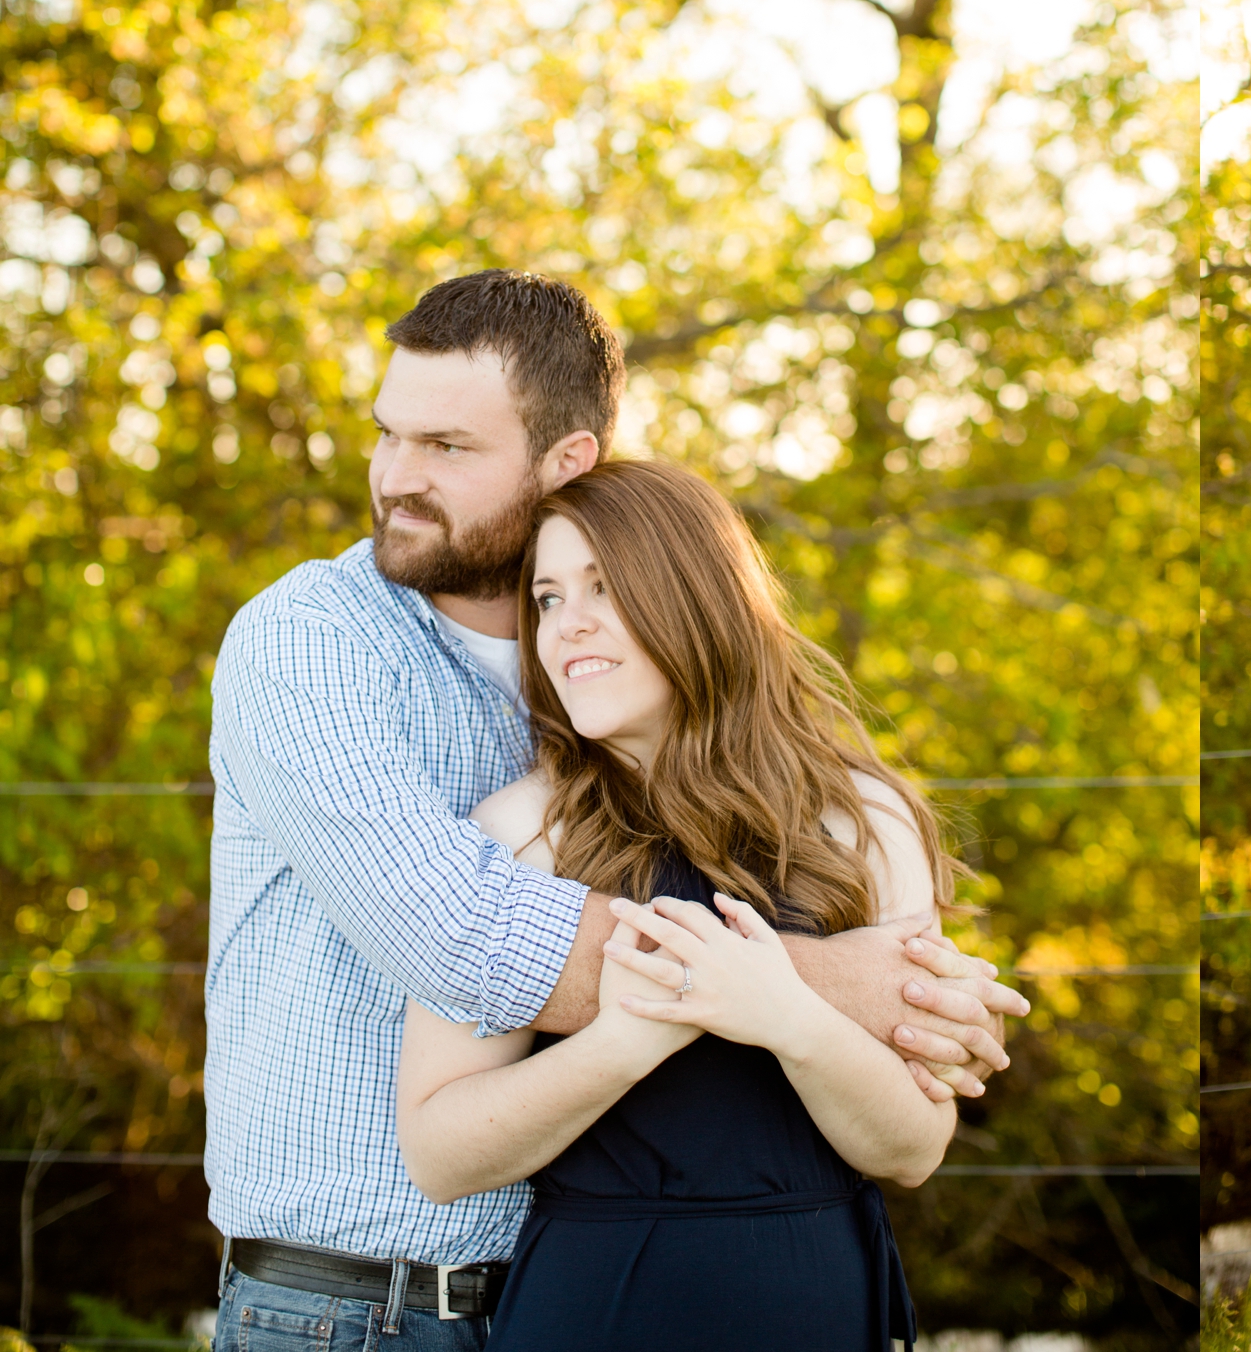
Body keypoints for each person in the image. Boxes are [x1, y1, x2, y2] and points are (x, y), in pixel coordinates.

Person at [207, 270, 1026, 1347]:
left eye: (447, 447)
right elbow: (462, 934)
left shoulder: (597, 711)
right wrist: (842, 986)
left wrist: (883, 1003)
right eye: (386, 434)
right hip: (357, 1307)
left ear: (567, 461)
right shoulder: (313, 642)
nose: (396, 477)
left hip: (558, 1280)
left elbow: (910, 1134)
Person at [396, 458, 953, 1348]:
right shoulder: (519, 834)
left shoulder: (862, 820)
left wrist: (784, 1016)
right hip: (597, 1307)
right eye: (545, 598)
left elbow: (913, 1147)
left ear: (693, 596)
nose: (567, 624)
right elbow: (440, 1151)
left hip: (818, 1303)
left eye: (603, 588)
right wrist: (624, 1041)